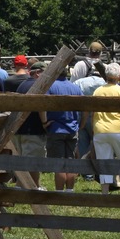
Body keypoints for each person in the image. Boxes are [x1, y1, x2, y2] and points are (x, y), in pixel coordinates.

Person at [91, 63, 120, 195]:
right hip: (118, 130)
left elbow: (93, 112)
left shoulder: (97, 91)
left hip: (100, 130)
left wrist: (93, 129)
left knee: (103, 161)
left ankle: (105, 193)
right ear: (118, 77)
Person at [44, 64, 83, 192]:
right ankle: (69, 190)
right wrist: (81, 124)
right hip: (72, 128)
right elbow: (86, 107)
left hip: (56, 128)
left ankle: (59, 191)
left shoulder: (50, 87)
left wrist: (44, 122)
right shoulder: (75, 88)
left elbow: (42, 105)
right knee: (70, 160)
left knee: (59, 162)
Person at [13, 61, 48, 185]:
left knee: (22, 161)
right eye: (45, 73)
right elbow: (41, 107)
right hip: (33, 129)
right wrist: (44, 123)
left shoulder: (22, 85)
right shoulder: (39, 87)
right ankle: (32, 188)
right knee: (33, 162)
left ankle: (25, 186)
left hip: (19, 129)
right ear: (38, 73)